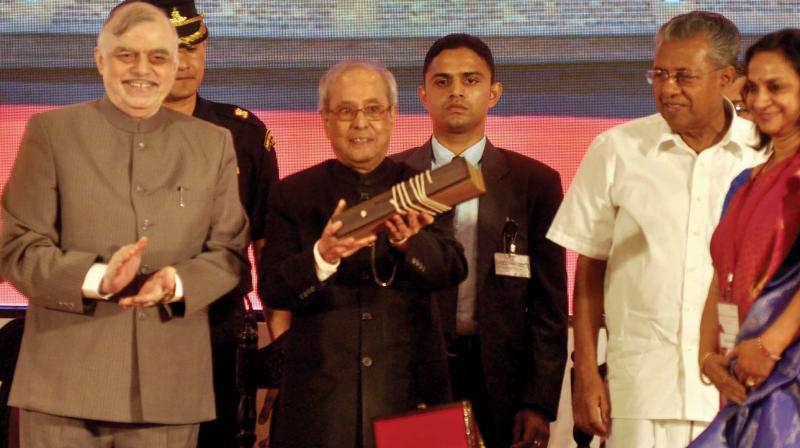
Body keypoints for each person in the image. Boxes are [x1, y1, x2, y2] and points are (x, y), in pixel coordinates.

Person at [0, 2, 249, 447]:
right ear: (100, 60)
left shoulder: (213, 145)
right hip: (64, 386)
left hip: (168, 391)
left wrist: (176, 283)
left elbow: (229, 254)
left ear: (176, 65)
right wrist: (97, 278)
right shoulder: (51, 133)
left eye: (157, 57)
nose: (142, 70)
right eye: (126, 55)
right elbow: (15, 246)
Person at [547, 11, 765, 447]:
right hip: (640, 390)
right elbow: (589, 267)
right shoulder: (616, 149)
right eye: (659, 74)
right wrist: (586, 372)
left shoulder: (763, 154)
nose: (667, 89)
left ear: (726, 78)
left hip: (739, 388)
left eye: (684, 76)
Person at [258, 59, 467, 448]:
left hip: (411, 394)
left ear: (392, 116)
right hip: (319, 406)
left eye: (373, 110)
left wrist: (409, 244)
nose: (360, 123)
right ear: (324, 119)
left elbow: (452, 268)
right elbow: (271, 288)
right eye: (346, 111)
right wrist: (322, 257)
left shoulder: (422, 188)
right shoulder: (294, 194)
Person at [393, 33, 568, 448]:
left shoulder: (534, 182)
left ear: (493, 93)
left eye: (470, 81)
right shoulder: (394, 178)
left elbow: (550, 304)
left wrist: (540, 402)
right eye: (442, 81)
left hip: (503, 380)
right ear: (422, 94)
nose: (456, 91)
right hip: (413, 376)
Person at [127, 0, 281, 445]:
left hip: (218, 334)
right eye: (169, 49)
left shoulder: (244, 134)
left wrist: (280, 360)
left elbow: (268, 249)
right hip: (127, 331)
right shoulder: (100, 136)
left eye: (194, 47)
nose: (184, 62)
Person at [691, 28, 800, 447]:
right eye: (752, 87)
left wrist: (770, 348)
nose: (758, 100)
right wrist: (707, 357)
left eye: (777, 87)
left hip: (786, 377)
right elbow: (721, 277)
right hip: (743, 375)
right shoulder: (743, 183)